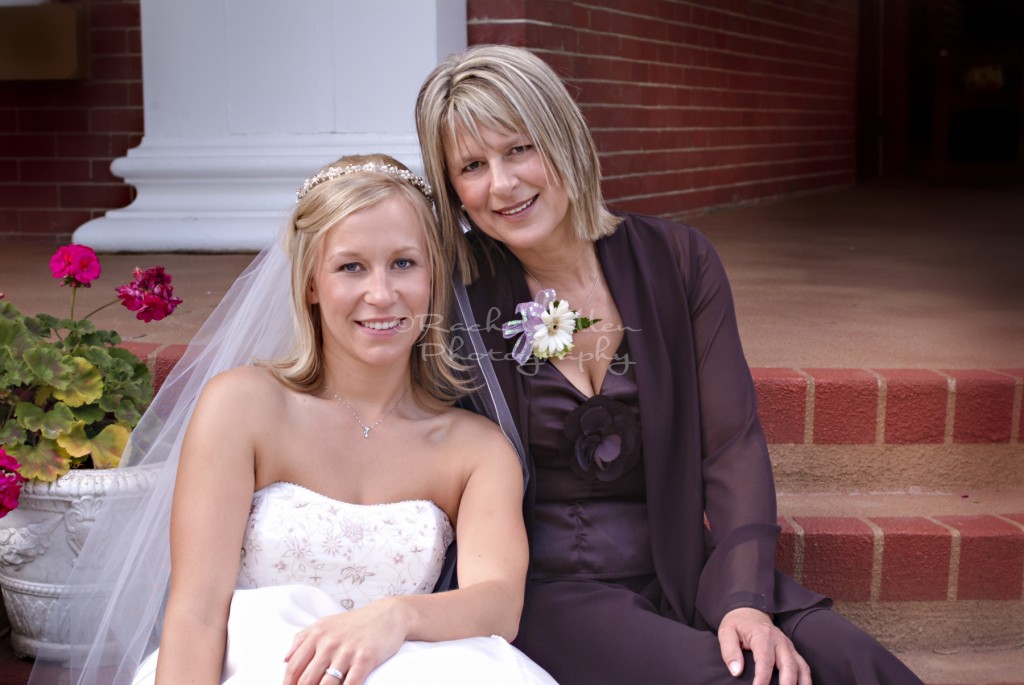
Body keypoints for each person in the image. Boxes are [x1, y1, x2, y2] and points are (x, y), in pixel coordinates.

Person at [415, 44, 925, 685]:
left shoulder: (679, 261)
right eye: (472, 165)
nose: (503, 183)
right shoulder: (453, 298)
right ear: (453, 189)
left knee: (859, 664)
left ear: (563, 136)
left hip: (687, 563)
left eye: (519, 148)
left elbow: (732, 444)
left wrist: (743, 598)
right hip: (550, 590)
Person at [26, 155, 557, 685]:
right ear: (310, 284)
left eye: (404, 263)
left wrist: (397, 615)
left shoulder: (474, 448)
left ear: (434, 275)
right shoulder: (243, 408)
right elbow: (197, 612)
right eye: (351, 266)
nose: (382, 293)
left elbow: (499, 605)